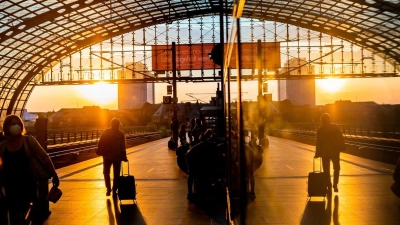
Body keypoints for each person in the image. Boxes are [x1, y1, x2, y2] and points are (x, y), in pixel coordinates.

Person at [0, 114, 59, 224]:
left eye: (18, 124)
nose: (16, 126)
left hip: (28, 187)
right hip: (11, 189)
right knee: (15, 218)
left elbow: (44, 157)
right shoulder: (2, 147)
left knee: (31, 217)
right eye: (13, 124)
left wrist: (54, 174)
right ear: (7, 127)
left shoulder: (28, 141)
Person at [314, 113, 346, 193]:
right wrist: (342, 146)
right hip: (335, 152)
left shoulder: (320, 130)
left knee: (326, 170)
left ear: (322, 121)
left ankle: (329, 185)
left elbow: (318, 143)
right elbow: (341, 137)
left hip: (325, 153)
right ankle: (335, 184)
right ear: (329, 119)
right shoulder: (335, 127)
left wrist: (317, 153)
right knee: (336, 168)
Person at [97, 118, 128, 197]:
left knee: (106, 173)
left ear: (111, 124)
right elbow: (122, 147)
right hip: (117, 157)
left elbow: (100, 142)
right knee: (116, 174)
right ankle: (114, 190)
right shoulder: (121, 134)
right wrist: (124, 156)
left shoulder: (106, 132)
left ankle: (108, 189)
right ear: (118, 125)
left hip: (107, 156)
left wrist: (99, 150)